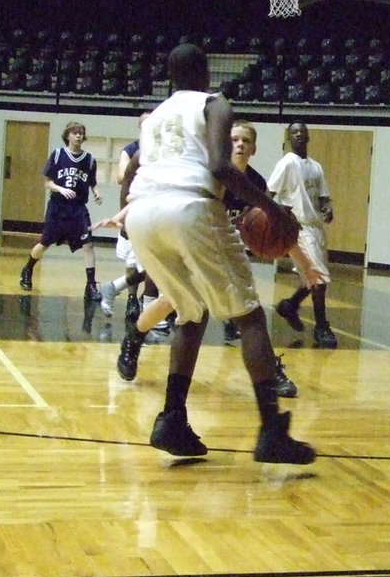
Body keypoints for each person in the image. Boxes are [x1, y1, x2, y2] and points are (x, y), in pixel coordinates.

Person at [107, 43, 313, 464]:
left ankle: (172, 418)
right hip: (189, 206)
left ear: (170, 76)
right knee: (250, 315)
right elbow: (220, 167)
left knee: (190, 311)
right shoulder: (214, 103)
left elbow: (129, 177)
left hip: (143, 214)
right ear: (205, 74)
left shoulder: (156, 116)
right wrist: (272, 208)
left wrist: (132, 210)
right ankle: (271, 430)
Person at [268, 121, 338, 349]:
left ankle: (290, 305)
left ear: (308, 137)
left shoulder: (316, 167)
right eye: (294, 132)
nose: (298, 135)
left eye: (302, 132)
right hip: (296, 228)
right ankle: (321, 327)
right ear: (290, 138)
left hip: (315, 227)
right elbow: (269, 194)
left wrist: (327, 208)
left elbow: (323, 197)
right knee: (319, 278)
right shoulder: (287, 164)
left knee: (313, 277)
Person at [19, 121, 104, 298]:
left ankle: (90, 285)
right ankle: (28, 269)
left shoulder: (89, 160)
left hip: (78, 209)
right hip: (58, 207)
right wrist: (61, 188)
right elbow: (47, 182)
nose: (78, 136)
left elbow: (92, 182)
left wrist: (96, 193)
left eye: (81, 133)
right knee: (44, 243)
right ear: (68, 135)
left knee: (88, 244)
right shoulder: (58, 155)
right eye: (75, 133)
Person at [98, 115, 150, 321]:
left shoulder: (161, 150)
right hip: (135, 211)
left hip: (147, 210)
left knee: (154, 267)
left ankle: (151, 312)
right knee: (142, 264)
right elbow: (121, 178)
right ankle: (133, 300)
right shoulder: (132, 152)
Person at [220, 119, 268, 343]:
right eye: (234, 139)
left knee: (242, 283)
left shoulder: (257, 181)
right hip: (205, 235)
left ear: (254, 149)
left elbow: (257, 214)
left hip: (234, 240)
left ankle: (233, 321)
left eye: (246, 141)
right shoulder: (215, 173)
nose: (240, 144)